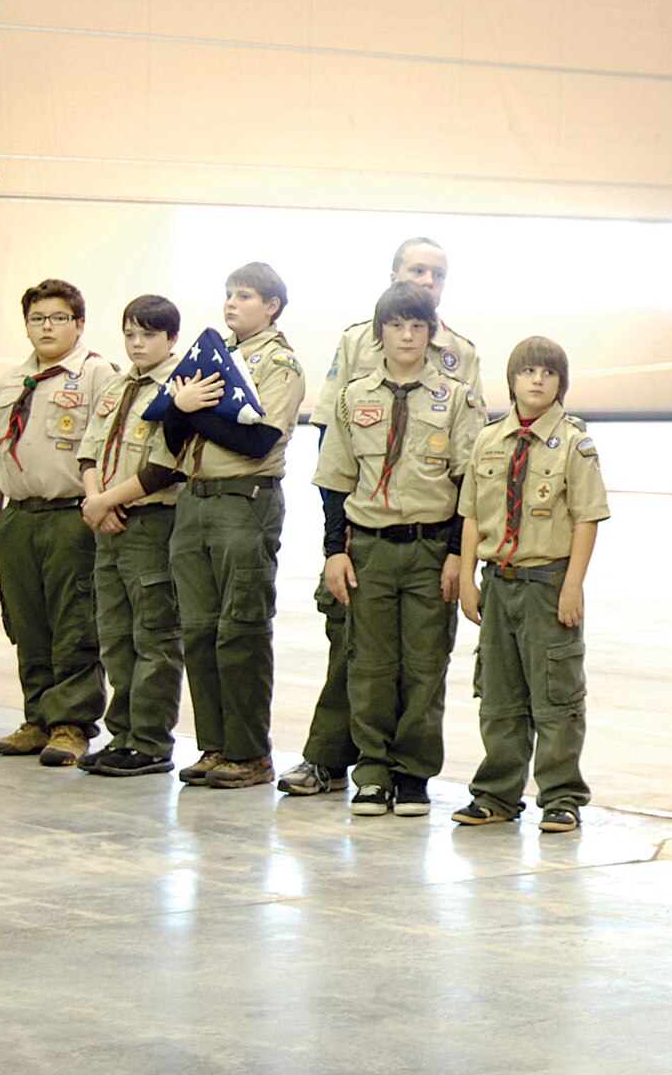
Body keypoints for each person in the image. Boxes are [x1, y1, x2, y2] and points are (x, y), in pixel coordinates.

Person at [280, 236, 484, 798]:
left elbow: (470, 457)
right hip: (364, 527)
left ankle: (404, 771)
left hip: (428, 531)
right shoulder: (357, 340)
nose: (427, 281)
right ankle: (334, 760)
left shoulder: (460, 354)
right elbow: (333, 435)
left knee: (420, 660)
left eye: (437, 274)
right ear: (393, 275)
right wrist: (337, 541)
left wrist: (458, 552)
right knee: (354, 650)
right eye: (417, 270)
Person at [451, 337, 608, 834]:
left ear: (562, 383)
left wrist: (573, 584)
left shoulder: (574, 444)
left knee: (556, 696)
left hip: (547, 582)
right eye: (528, 372)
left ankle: (561, 796)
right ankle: (496, 794)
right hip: (499, 582)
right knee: (499, 696)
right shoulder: (489, 440)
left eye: (548, 373)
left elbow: (587, 518)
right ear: (512, 380)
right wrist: (469, 579)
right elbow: (471, 515)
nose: (537, 380)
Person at [163, 262, 306, 789]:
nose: (231, 303)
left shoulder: (279, 364)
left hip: (244, 501)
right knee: (199, 630)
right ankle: (216, 745)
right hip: (196, 498)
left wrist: (190, 410)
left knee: (240, 630)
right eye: (228, 293)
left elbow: (258, 440)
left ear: (272, 305)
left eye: (244, 295)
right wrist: (179, 409)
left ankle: (249, 753)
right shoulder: (211, 356)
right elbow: (172, 436)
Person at [0, 279, 116, 765]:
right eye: (37, 319)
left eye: (58, 318)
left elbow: (109, 448)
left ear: (79, 323)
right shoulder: (9, 383)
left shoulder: (96, 374)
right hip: (19, 518)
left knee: (74, 623)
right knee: (27, 623)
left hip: (70, 515)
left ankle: (70, 725)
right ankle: (36, 718)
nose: (47, 327)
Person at [77, 295, 188, 776]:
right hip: (107, 523)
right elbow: (88, 453)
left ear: (172, 338)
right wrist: (96, 500)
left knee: (154, 635)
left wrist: (106, 501)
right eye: (130, 334)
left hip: (149, 524)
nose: (137, 343)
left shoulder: (179, 388)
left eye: (148, 334)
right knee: (115, 635)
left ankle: (150, 740)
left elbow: (167, 466)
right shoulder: (118, 385)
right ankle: (121, 735)